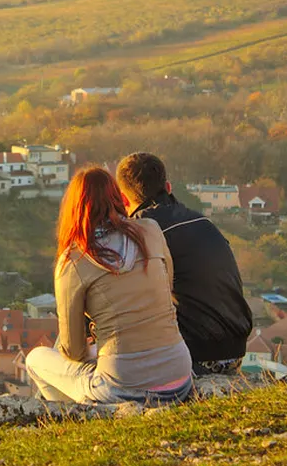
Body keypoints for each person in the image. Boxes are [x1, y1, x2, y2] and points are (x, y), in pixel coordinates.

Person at [25, 165, 193, 405]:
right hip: (179, 378)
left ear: (73, 208)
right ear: (116, 197)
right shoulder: (150, 231)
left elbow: (72, 350)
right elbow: (166, 288)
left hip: (122, 388)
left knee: (36, 358)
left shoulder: (75, 259)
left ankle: (74, 419)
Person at [115, 152, 253, 375]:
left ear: (123, 199)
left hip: (194, 356)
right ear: (168, 187)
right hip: (235, 350)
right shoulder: (202, 221)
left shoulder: (142, 230)